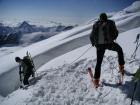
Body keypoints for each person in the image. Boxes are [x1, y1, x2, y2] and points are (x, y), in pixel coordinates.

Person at [90, 13, 125, 88]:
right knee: (119, 50)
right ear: (106, 17)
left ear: (100, 18)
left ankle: (96, 81)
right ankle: (121, 67)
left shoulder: (96, 24)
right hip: (109, 44)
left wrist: (93, 43)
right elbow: (116, 33)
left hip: (99, 46)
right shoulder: (111, 22)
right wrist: (113, 38)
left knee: (99, 62)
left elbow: (91, 35)